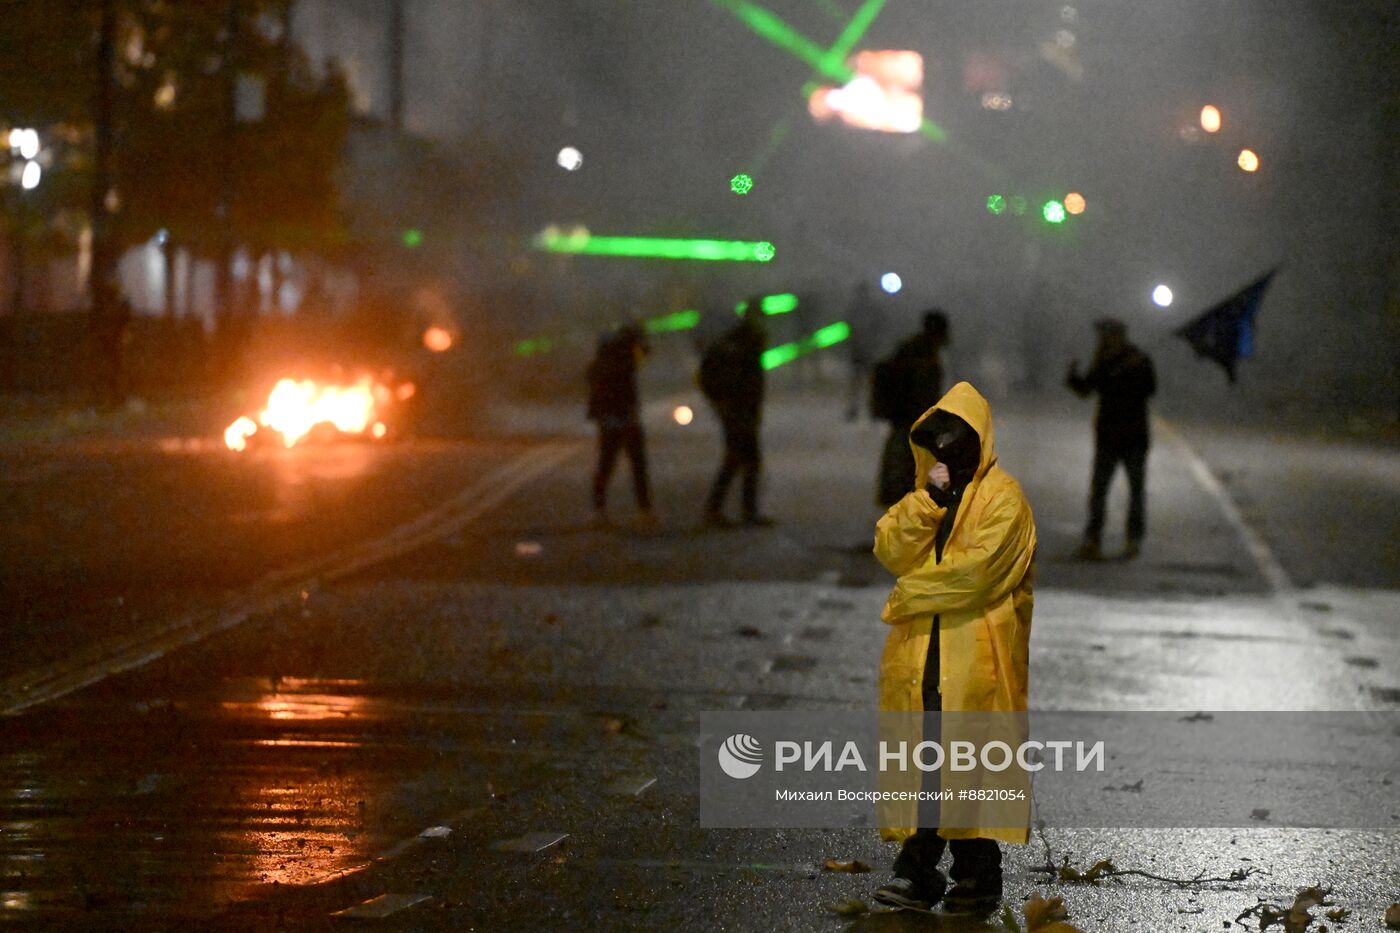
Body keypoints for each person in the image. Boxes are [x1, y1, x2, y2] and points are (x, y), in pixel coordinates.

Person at [870, 381, 1037, 914]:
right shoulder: (930, 496)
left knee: (961, 765)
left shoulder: (1004, 499)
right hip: (922, 656)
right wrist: (929, 501)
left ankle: (928, 872)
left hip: (975, 658)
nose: (946, 453)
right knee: (932, 763)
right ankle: (968, 877)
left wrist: (907, 596)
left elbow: (980, 575)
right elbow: (890, 548)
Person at [1065, 318, 1156, 560]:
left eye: (1106, 336)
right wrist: (1073, 376)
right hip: (1108, 437)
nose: (1103, 340)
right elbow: (1086, 389)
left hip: (1133, 436)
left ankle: (1133, 539)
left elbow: (1149, 389)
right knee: (1099, 491)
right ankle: (1093, 539)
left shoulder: (1138, 360)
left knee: (1136, 491)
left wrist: (1125, 374)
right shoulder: (1103, 362)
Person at [699, 304, 772, 527]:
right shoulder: (741, 346)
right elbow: (715, 375)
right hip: (738, 412)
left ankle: (738, 510)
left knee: (743, 460)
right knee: (738, 460)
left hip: (741, 411)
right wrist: (723, 403)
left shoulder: (739, 344)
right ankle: (723, 510)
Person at [872, 310, 949, 507]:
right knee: (910, 466)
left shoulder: (912, 350)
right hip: (912, 421)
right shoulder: (924, 356)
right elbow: (924, 393)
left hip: (905, 419)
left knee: (903, 465)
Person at [586, 322, 654, 527]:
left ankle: (599, 510)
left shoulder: (606, 360)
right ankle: (644, 510)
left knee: (607, 464)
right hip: (622, 417)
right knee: (636, 464)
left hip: (610, 418)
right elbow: (624, 389)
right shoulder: (624, 360)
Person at [845, 281, 881, 421]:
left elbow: (848, 325)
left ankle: (856, 409)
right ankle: (869, 410)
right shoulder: (870, 308)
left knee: (857, 382)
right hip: (865, 349)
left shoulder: (855, 308)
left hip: (860, 348)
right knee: (865, 382)